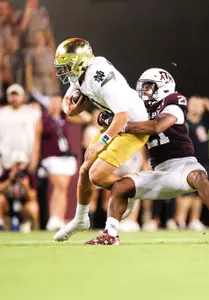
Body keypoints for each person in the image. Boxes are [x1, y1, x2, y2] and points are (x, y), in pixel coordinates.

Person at [85, 68, 209, 245]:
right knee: (120, 186)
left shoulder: (173, 103)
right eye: (142, 87)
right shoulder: (141, 109)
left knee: (198, 176)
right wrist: (106, 118)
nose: (143, 91)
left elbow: (156, 126)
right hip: (160, 172)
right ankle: (110, 234)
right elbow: (113, 114)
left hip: (184, 164)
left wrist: (121, 126)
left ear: (163, 87)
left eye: (148, 87)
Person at [53, 38, 149, 242]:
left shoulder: (100, 77)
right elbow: (68, 99)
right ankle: (81, 219)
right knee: (85, 170)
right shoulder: (81, 71)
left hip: (133, 125)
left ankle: (130, 190)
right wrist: (68, 110)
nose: (64, 72)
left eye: (66, 66)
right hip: (114, 121)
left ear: (79, 61)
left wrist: (100, 141)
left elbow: (123, 115)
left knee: (96, 175)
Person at [35, 96, 91, 231]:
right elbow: (37, 140)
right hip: (50, 157)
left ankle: (58, 217)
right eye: (52, 101)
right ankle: (53, 217)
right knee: (59, 184)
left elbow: (87, 118)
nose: (55, 104)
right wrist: (35, 159)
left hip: (65, 157)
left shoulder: (65, 117)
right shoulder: (43, 119)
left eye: (58, 102)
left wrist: (71, 107)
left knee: (63, 188)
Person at [176, 96, 209, 231]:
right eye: (192, 104)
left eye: (198, 105)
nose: (194, 107)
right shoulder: (183, 122)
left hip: (204, 163)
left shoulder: (205, 124)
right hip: (186, 162)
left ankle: (194, 220)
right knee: (184, 193)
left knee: (199, 193)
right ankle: (180, 221)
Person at [0, 84, 41, 171]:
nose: (14, 98)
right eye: (12, 95)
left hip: (26, 157)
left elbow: (37, 137)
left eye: (17, 95)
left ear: (23, 97)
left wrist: (34, 158)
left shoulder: (31, 112)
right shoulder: (2, 113)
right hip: (6, 157)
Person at [0, 151, 39, 232]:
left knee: (33, 207)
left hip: (22, 206)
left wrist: (26, 186)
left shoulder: (29, 176)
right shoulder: (6, 174)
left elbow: (32, 198)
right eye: (16, 164)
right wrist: (9, 180)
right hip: (8, 206)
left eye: (21, 164)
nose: (19, 168)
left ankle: (33, 228)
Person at [25, 30, 58, 97]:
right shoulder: (31, 53)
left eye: (40, 38)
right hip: (36, 81)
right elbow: (28, 70)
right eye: (36, 38)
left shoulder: (50, 52)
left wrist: (55, 83)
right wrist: (29, 85)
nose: (38, 40)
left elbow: (54, 69)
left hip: (48, 81)